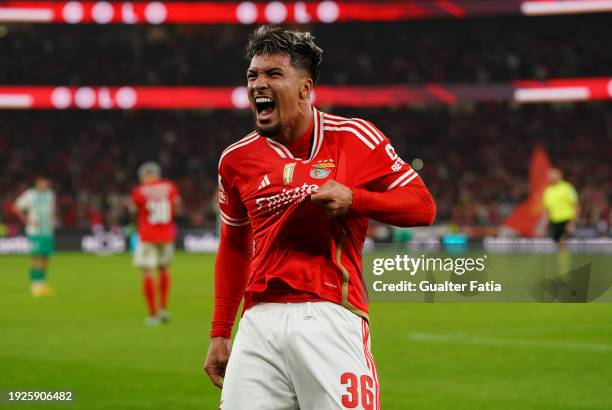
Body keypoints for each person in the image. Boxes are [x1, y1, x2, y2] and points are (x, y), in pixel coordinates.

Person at [204, 26, 436, 409]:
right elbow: (233, 245)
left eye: (273, 74)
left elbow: (423, 206)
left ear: (305, 88)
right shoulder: (235, 160)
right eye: (252, 75)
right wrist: (219, 332)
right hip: (258, 321)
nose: (258, 84)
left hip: (329, 313)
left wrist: (355, 199)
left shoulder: (355, 137)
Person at [131, 162, 180, 326]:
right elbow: (176, 207)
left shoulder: (140, 191)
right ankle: (164, 309)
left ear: (145, 175)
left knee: (148, 272)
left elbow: (134, 209)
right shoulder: (170, 187)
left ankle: (153, 314)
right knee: (164, 269)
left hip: (148, 235)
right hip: (167, 233)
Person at [13, 176, 56, 297]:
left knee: (45, 256)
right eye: (44, 182)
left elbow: (52, 209)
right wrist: (27, 221)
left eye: (47, 183)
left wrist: (53, 218)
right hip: (35, 231)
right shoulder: (30, 194)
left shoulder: (50, 194)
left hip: (47, 230)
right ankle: (35, 285)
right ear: (38, 183)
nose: (46, 184)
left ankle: (42, 284)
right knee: (36, 256)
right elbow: (16, 207)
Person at [543, 168, 579, 245]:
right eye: (550, 175)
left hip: (566, 219)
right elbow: (547, 209)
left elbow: (576, 205)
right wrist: (546, 224)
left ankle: (565, 256)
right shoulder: (548, 190)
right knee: (557, 243)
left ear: (560, 175)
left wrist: (572, 222)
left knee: (564, 243)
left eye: (554, 174)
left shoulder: (567, 188)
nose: (552, 177)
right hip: (554, 221)